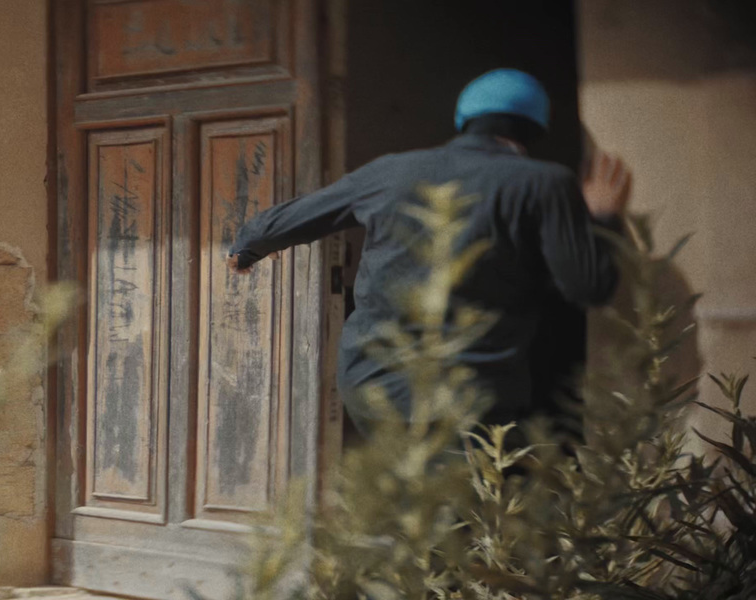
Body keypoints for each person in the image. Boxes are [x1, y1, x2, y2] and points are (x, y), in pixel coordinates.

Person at [225, 68, 634, 435]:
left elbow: (293, 218)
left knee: (408, 502)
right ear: (537, 128)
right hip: (466, 398)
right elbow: (588, 287)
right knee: (458, 514)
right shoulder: (546, 183)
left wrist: (248, 247)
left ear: (464, 120)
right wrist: (600, 218)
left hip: (371, 387)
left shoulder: (389, 169)